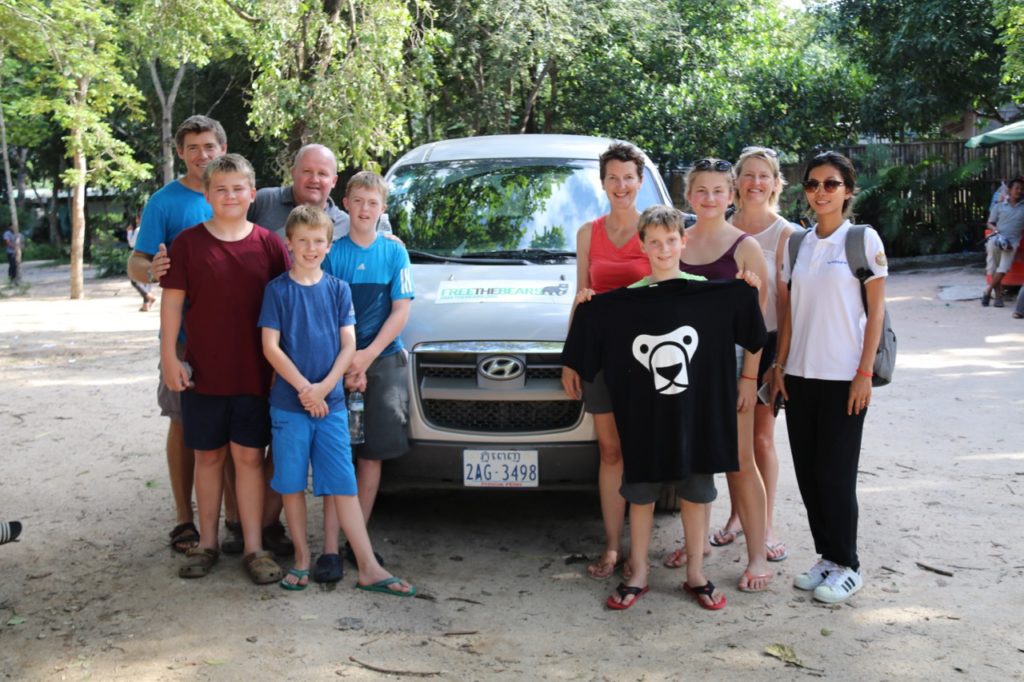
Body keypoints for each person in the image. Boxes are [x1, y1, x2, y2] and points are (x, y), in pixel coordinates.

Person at [259, 204, 415, 596]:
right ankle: (300, 557)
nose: (310, 248)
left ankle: (368, 566)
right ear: (289, 243)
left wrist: (325, 386)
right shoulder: (276, 290)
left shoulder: (337, 289)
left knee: (342, 484)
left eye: (318, 242)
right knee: (292, 484)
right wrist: (304, 390)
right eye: (303, 241)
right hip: (291, 405)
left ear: (329, 246)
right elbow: (271, 348)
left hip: (331, 405)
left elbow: (349, 344)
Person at [159, 153, 291, 584]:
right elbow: (173, 305)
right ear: (207, 194)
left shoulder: (270, 245)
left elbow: (286, 307)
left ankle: (254, 547)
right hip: (203, 373)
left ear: (252, 195)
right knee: (208, 456)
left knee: (250, 458)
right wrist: (169, 358)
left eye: (238, 189)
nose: (230, 196)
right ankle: (208, 543)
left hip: (254, 374)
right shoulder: (189, 244)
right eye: (221, 189)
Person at [773, 151, 888, 604]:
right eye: (813, 184)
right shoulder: (797, 245)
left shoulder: (861, 239)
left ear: (848, 190)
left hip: (844, 378)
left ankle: (848, 565)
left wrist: (864, 373)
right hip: (800, 377)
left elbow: (874, 311)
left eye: (831, 184)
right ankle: (826, 557)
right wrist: (779, 369)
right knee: (809, 475)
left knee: (836, 476)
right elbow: (788, 315)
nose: (820, 192)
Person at [127, 115, 241, 555]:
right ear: (180, 153)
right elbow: (136, 262)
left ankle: (235, 518)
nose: (201, 155)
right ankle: (183, 519)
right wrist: (151, 270)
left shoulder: (236, 192)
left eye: (209, 146)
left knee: (234, 429)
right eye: (192, 148)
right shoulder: (165, 202)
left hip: (234, 336)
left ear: (222, 148)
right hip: (182, 338)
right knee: (181, 422)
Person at [608, 205, 726, 609]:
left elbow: (748, 322)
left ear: (683, 242)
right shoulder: (627, 301)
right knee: (640, 493)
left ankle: (696, 572)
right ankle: (638, 570)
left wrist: (748, 286)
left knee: (696, 490)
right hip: (644, 417)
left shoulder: (707, 292)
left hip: (696, 414)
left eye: (670, 241)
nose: (663, 249)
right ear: (642, 246)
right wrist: (588, 304)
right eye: (654, 242)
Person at [687, 147, 795, 564]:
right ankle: (728, 523)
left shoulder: (780, 235)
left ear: (774, 182)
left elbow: (782, 304)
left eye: (763, 175)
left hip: (758, 346)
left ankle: (763, 529)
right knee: (718, 447)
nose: (755, 182)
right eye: (748, 175)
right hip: (705, 354)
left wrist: (773, 364)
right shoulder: (705, 229)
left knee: (755, 443)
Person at [674, 158, 773, 593]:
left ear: (730, 196)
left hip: (732, 365)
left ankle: (756, 555)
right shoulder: (675, 242)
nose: (710, 198)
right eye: (701, 190)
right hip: (683, 364)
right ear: (688, 196)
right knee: (691, 459)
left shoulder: (746, 247)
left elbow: (758, 324)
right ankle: (697, 547)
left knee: (738, 461)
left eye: (718, 190)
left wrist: (750, 380)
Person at [314, 171, 414, 583]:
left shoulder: (394, 252)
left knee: (371, 454)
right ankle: (328, 548)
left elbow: (401, 310)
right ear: (346, 203)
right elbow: (326, 312)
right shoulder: (332, 252)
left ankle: (358, 542)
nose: (365, 209)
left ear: (382, 209)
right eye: (358, 201)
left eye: (373, 203)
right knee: (338, 454)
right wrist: (348, 362)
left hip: (383, 360)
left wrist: (368, 356)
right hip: (337, 362)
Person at [560, 142, 651, 581]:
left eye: (628, 177)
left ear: (640, 181)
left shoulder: (655, 229)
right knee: (610, 452)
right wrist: (570, 358)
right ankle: (613, 547)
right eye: (612, 178)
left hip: (647, 360)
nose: (621, 186)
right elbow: (581, 297)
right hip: (599, 358)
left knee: (642, 453)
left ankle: (641, 554)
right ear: (603, 183)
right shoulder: (587, 233)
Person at [248, 144, 350, 242]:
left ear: (334, 181)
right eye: (307, 171)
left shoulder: (346, 226)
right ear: (293, 173)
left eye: (322, 174)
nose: (314, 179)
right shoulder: (264, 201)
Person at [982, 176, 1024, 308]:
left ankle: (987, 290)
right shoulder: (999, 206)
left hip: (1012, 243)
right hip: (996, 239)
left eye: (1021, 189)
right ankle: (998, 298)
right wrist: (995, 230)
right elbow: (989, 223)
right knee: (993, 269)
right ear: (1010, 190)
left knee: (1004, 269)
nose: (1019, 191)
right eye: (1016, 188)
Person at [125, 216, 156, 311]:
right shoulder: (153, 229)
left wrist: (129, 232)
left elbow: (132, 243)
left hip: (140, 256)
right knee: (147, 280)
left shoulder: (139, 230)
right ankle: (146, 304)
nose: (136, 220)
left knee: (135, 279)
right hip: (151, 255)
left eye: (138, 218)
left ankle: (148, 296)